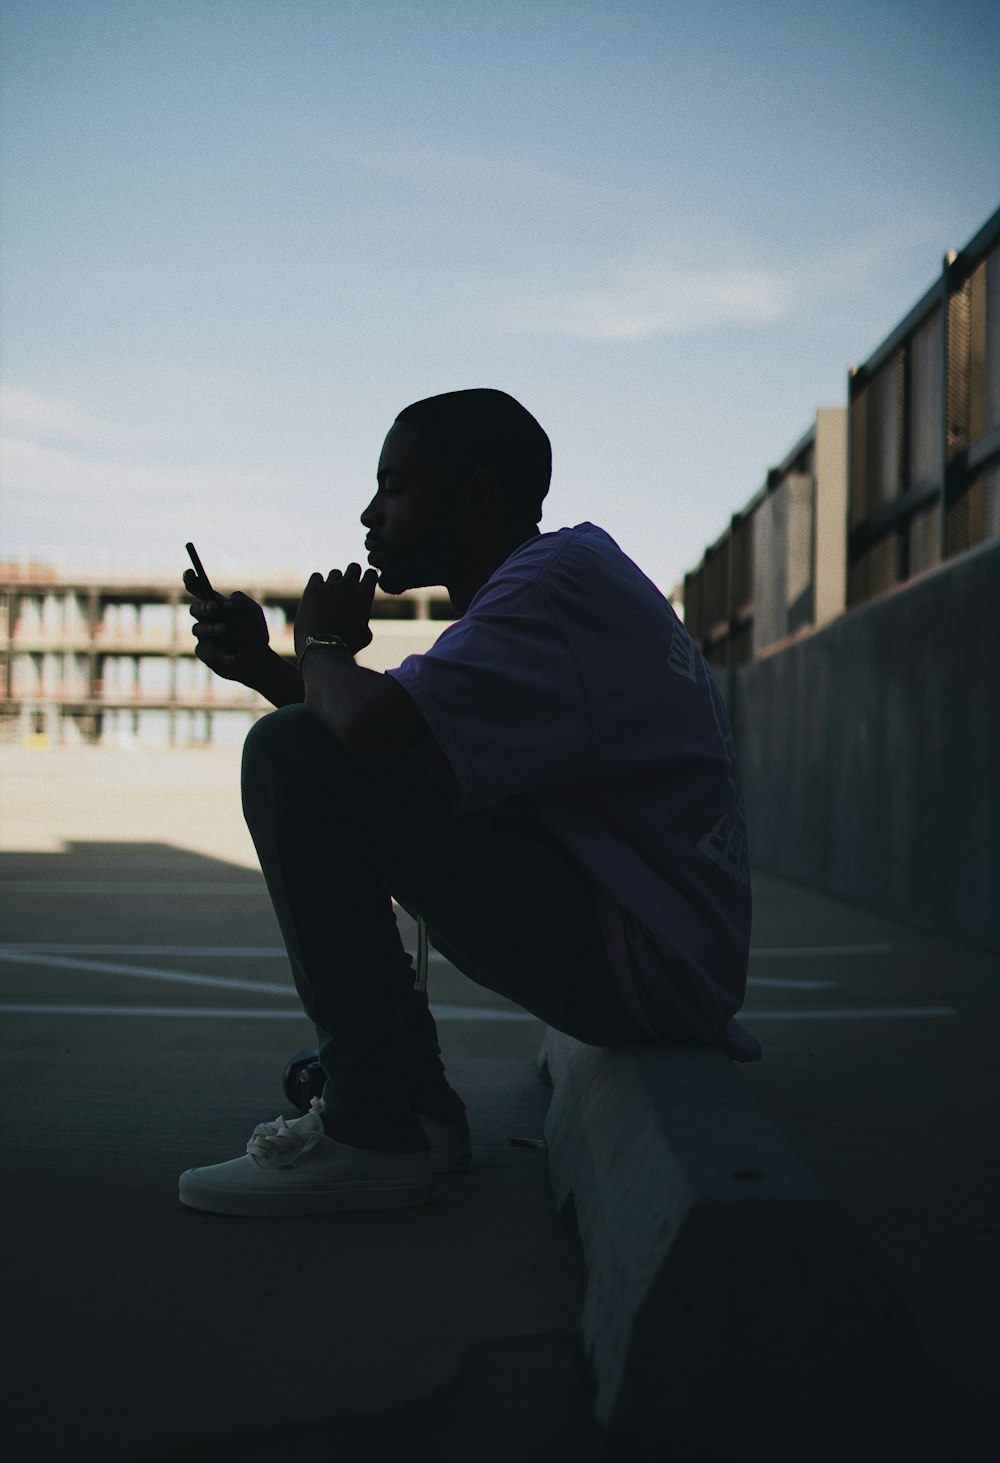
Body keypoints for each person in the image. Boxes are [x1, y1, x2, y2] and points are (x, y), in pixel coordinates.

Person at [177, 388, 760, 1217]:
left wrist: (323, 645)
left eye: (394, 487)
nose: (369, 514)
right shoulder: (559, 580)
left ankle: (371, 1126)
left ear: (475, 494)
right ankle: (414, 1109)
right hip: (653, 949)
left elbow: (364, 732)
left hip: (642, 959)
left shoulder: (546, 590)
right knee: (309, 753)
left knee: (281, 756)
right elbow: (386, 751)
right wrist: (274, 668)